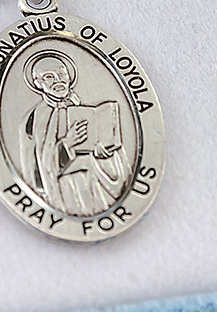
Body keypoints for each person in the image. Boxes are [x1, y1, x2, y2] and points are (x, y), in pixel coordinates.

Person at [17, 50, 133, 217]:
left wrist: (103, 153)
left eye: (62, 74)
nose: (58, 80)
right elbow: (39, 168)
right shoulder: (36, 119)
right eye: (49, 77)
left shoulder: (82, 107)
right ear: (38, 83)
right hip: (66, 189)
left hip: (94, 185)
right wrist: (67, 145)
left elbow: (113, 158)